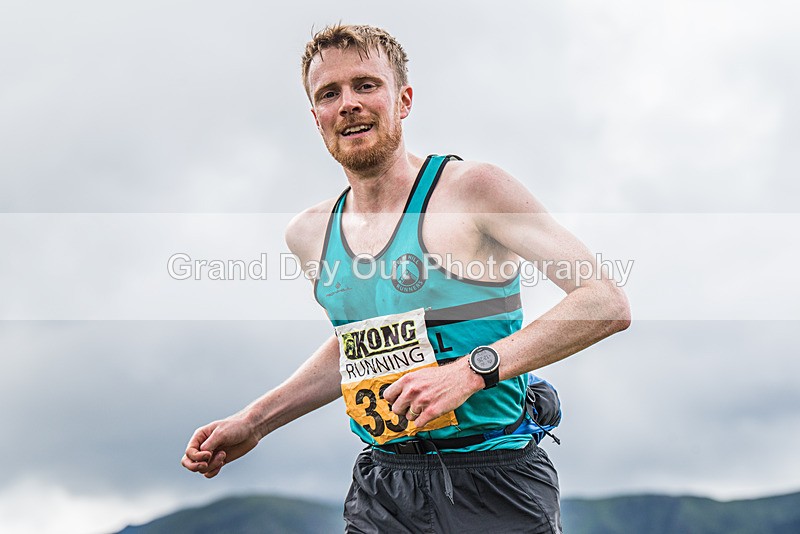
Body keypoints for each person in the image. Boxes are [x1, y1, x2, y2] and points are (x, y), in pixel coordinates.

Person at [181, 24, 630, 533]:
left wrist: (469, 373)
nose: (348, 104)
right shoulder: (309, 234)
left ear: (404, 101)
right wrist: (255, 421)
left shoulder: (473, 190)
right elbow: (356, 346)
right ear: (316, 117)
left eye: (366, 85)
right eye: (329, 94)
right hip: (385, 488)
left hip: (496, 479)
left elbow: (605, 302)